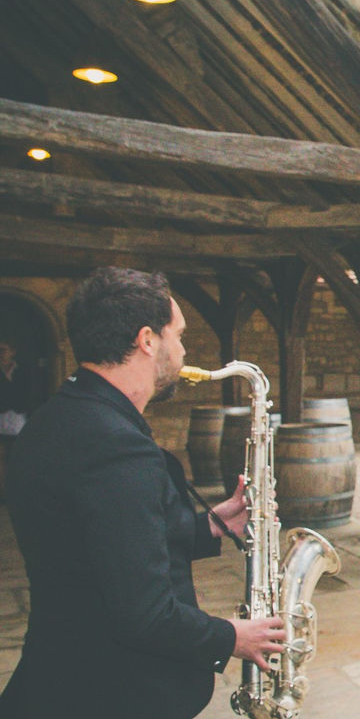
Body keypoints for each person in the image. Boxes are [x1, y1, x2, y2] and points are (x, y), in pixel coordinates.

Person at [0, 267, 286, 719]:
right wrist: (233, 637)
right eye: (180, 334)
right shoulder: (114, 445)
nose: (184, 350)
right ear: (148, 340)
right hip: (109, 696)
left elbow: (99, 544)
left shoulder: (60, 417)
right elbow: (145, 615)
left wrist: (211, 525)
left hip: (62, 679)